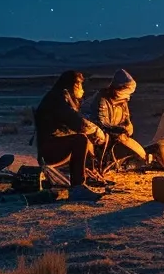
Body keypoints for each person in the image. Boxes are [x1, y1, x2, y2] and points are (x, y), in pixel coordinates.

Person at [33, 70, 108, 201]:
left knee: (82, 139)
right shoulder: (59, 99)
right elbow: (78, 123)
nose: (82, 89)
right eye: (80, 85)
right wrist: (96, 131)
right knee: (80, 140)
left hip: (50, 146)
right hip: (49, 150)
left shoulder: (59, 96)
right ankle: (78, 187)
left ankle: (83, 179)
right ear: (74, 84)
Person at [84, 69, 149, 169]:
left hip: (119, 136)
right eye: (125, 92)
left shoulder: (123, 102)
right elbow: (102, 122)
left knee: (141, 155)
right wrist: (118, 130)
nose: (127, 95)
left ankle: (123, 163)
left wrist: (127, 126)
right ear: (118, 89)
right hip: (102, 137)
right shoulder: (102, 99)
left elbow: (126, 118)